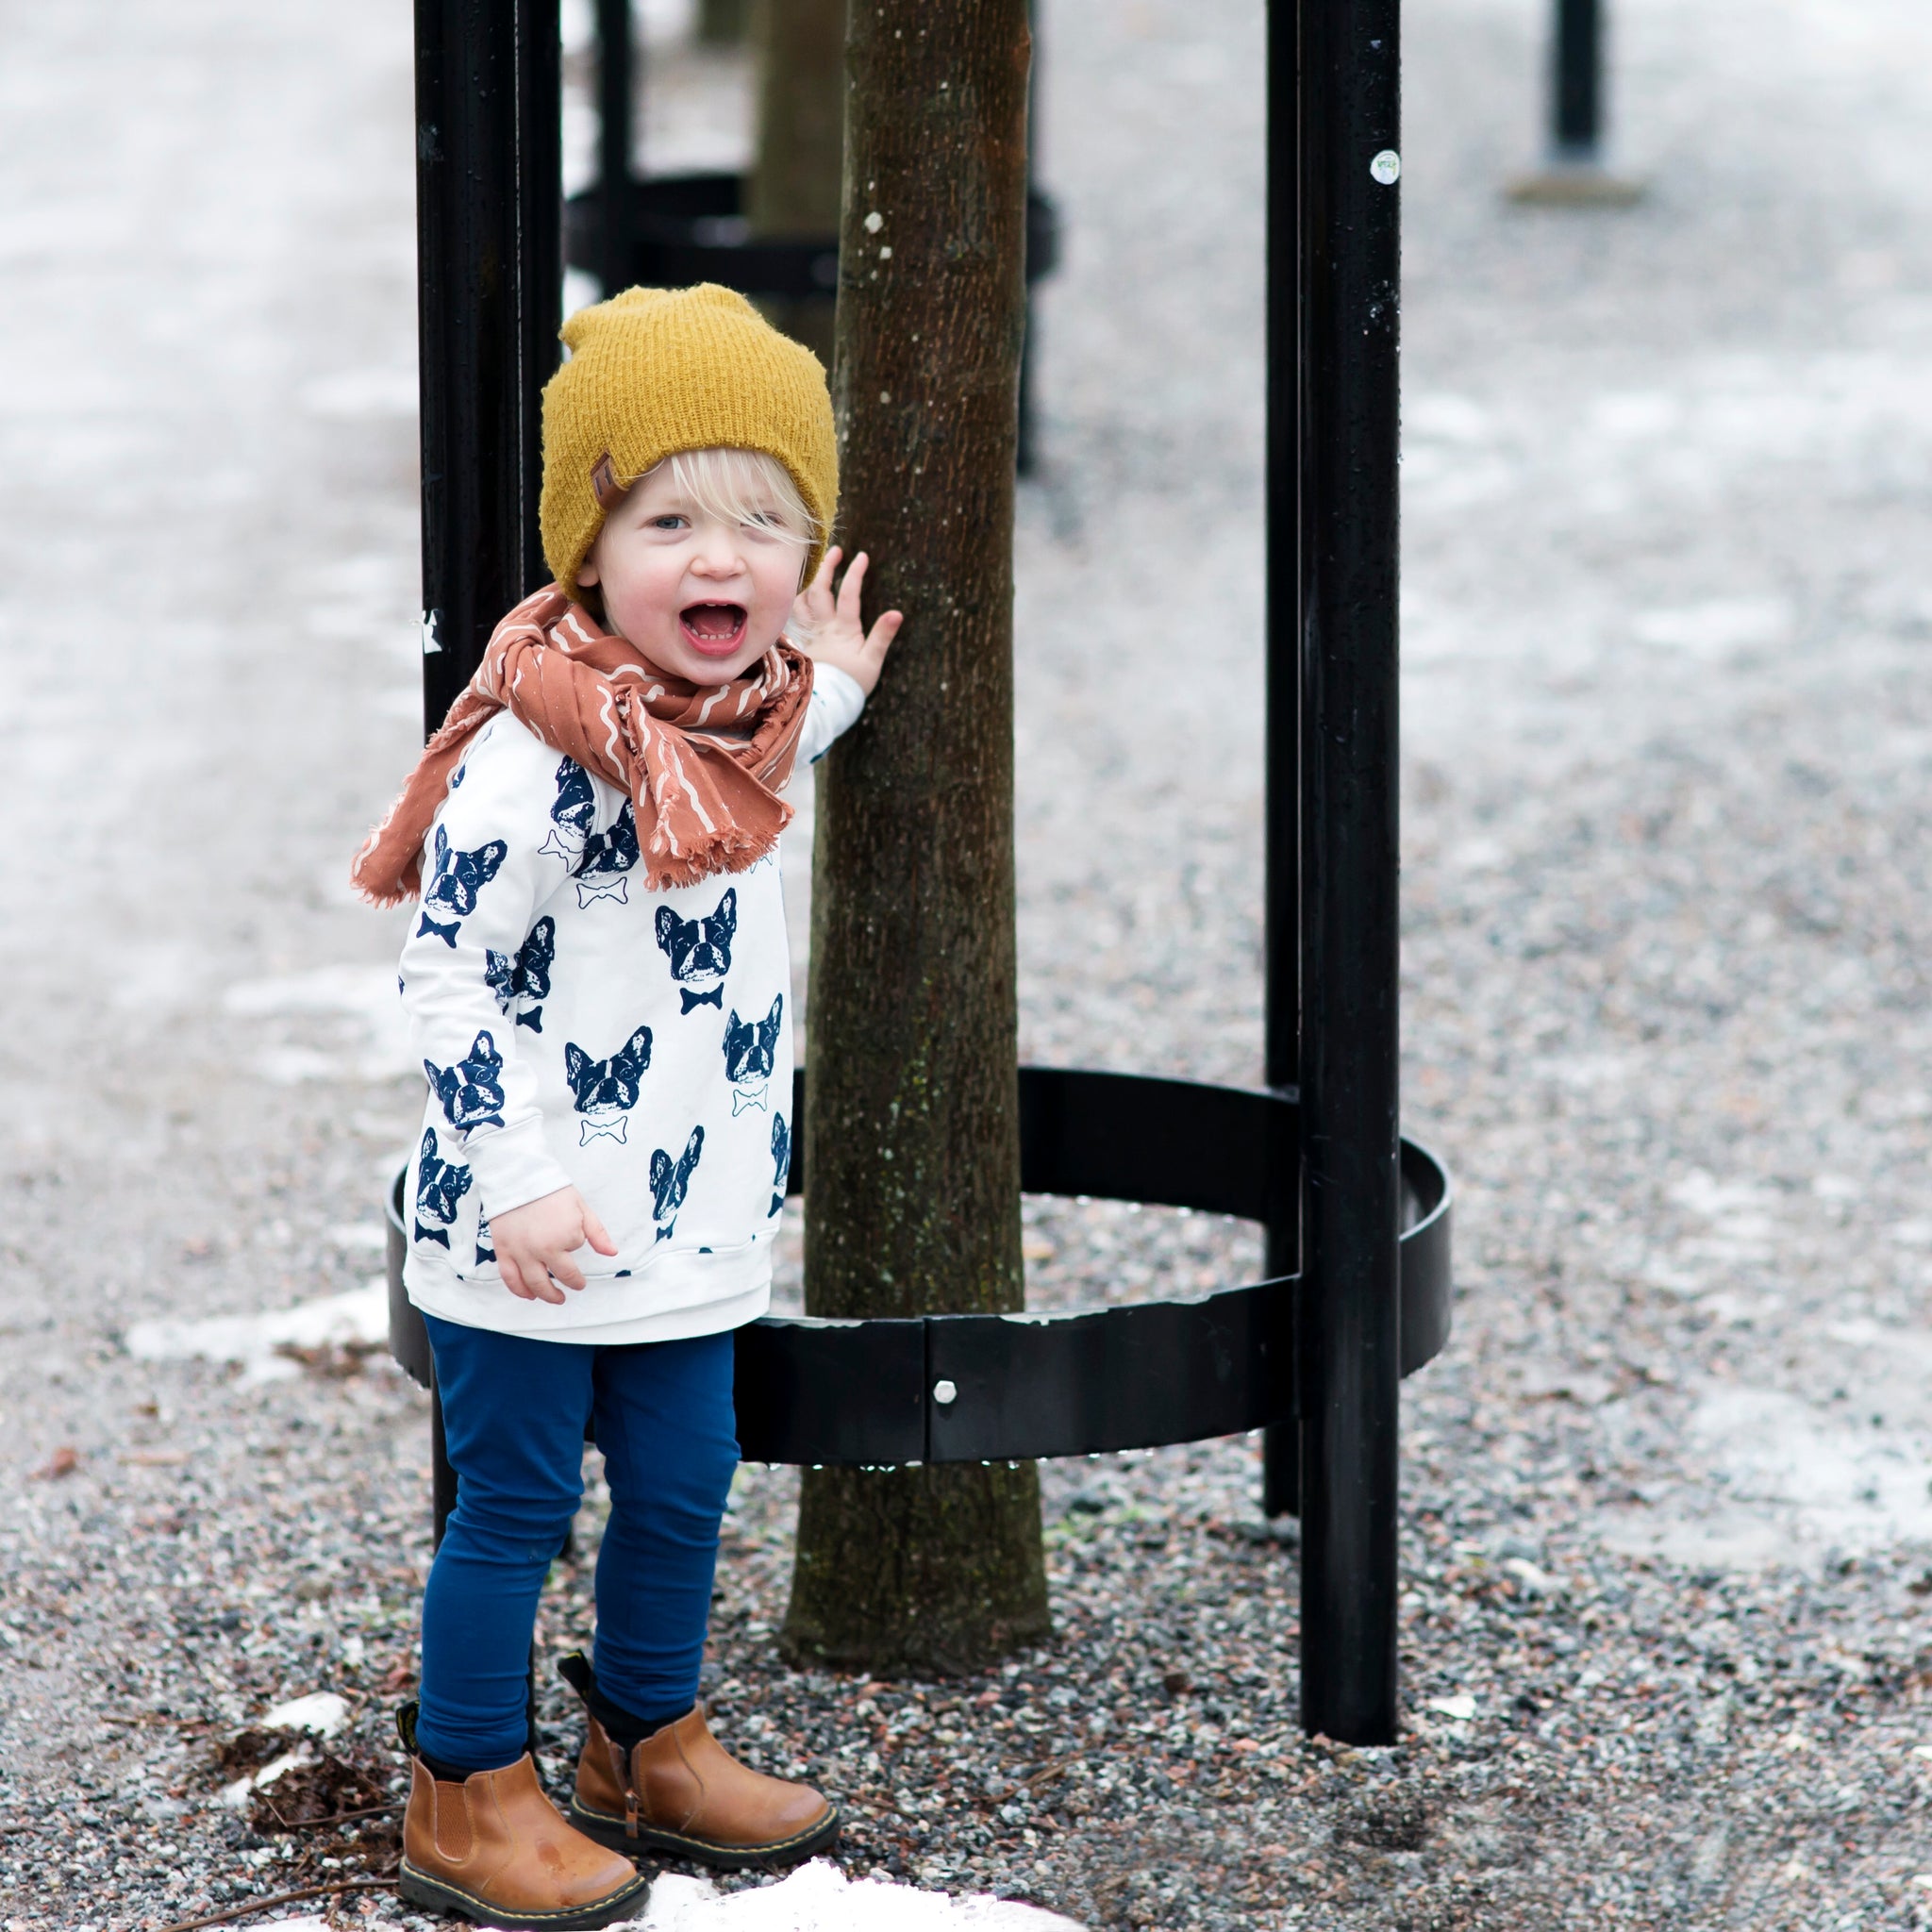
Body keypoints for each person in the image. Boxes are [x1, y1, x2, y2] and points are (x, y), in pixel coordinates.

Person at [352, 283, 901, 1930]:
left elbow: (772, 767)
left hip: (695, 1218)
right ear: (589, 551)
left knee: (683, 1484)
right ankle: (466, 1787)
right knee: (513, 1504)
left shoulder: (744, 724)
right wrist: (515, 1178)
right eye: (667, 519)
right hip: (530, 1230)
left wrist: (841, 684)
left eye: (762, 522)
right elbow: (446, 978)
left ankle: (645, 1742)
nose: (716, 560)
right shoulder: (535, 760)